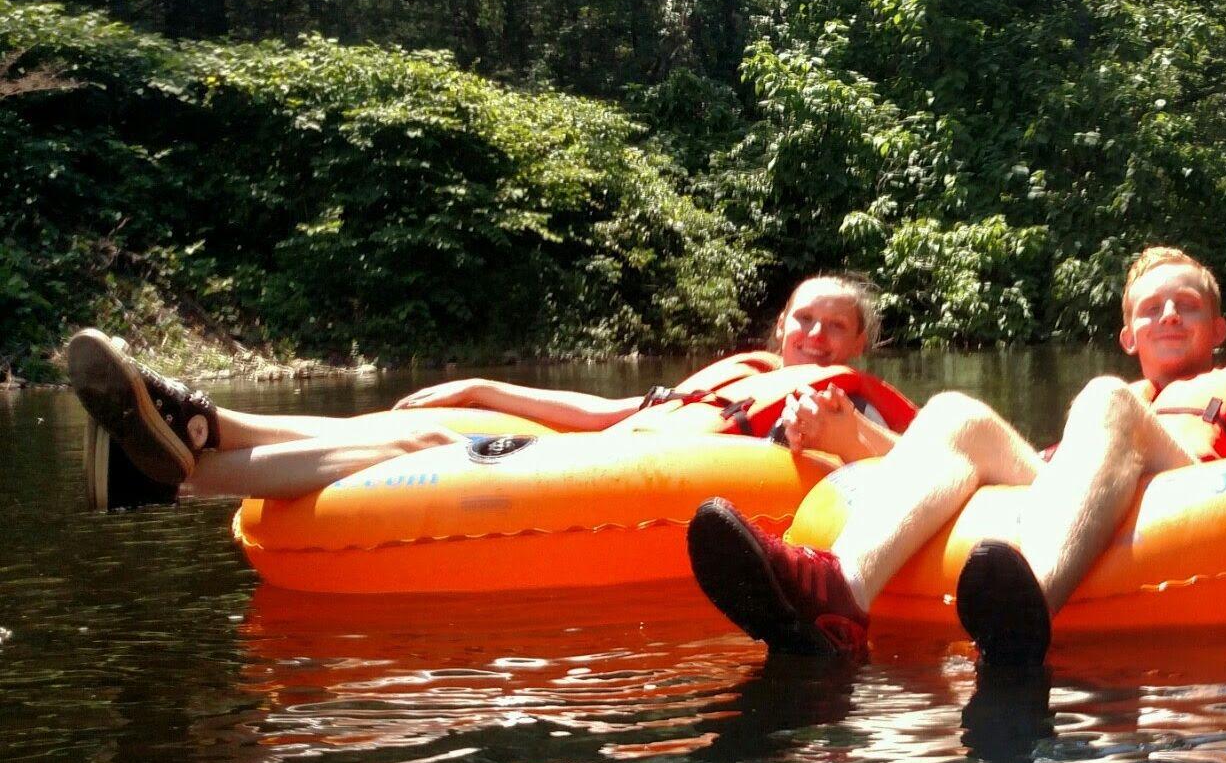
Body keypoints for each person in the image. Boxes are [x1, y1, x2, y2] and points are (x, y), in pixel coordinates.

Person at [687, 246, 1226, 666]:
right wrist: (859, 443)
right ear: (1129, 336)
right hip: (1094, 477)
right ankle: (838, 597)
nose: (1169, 315)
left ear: (1218, 331)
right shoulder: (1111, 410)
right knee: (955, 412)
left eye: (1188, 307)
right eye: (1151, 309)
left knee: (1108, 402)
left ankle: (1025, 613)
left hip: (1195, 491)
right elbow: (952, 468)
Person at [67, 274, 903, 507]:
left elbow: (862, 458)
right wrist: (478, 382)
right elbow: (605, 413)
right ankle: (197, 430)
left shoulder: (843, 397)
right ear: (779, 327)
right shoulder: (732, 377)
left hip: (611, 481)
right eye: (803, 321)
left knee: (431, 447)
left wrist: (819, 429)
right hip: (605, 451)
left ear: (859, 345)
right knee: (409, 422)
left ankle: (179, 464)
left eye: (834, 329)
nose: (814, 338)